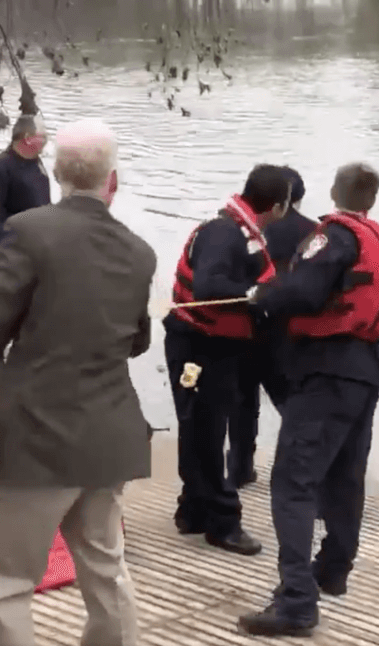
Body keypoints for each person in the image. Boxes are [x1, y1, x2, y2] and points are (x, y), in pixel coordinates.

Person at [0, 118, 156, 646]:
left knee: (4, 578)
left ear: (57, 173)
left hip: (35, 438)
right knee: (105, 568)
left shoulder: (27, 230)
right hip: (109, 433)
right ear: (111, 182)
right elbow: (138, 340)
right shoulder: (140, 253)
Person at [238, 162, 379, 637]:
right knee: (345, 477)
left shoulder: (332, 236)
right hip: (366, 371)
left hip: (327, 370)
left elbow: (306, 292)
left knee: (292, 484)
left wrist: (263, 295)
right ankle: (333, 568)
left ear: (335, 192)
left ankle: (296, 602)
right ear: (371, 201)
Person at [163, 164, 293, 555]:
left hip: (210, 344)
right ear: (278, 205)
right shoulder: (223, 234)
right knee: (206, 429)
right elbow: (208, 286)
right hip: (199, 345)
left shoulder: (240, 230)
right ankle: (223, 520)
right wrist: (257, 294)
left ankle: (193, 509)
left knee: (199, 426)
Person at [227, 165, 318, 489]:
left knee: (243, 401)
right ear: (299, 199)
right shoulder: (315, 232)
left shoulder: (249, 227)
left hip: (246, 320)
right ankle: (301, 472)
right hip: (285, 330)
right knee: (292, 402)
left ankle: (239, 469)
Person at [0, 113, 52, 255]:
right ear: (27, 138)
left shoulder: (36, 163)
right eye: (43, 136)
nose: (46, 140)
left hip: (39, 251)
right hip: (14, 255)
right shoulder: (0, 166)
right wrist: (7, 247)